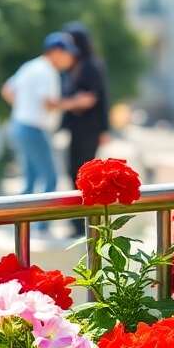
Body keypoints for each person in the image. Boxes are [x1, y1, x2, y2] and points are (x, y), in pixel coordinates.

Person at [1, 32, 77, 195]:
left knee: (30, 181)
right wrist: (76, 103)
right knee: (51, 179)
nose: (69, 58)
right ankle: (41, 222)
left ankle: (22, 220)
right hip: (34, 128)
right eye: (67, 53)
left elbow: (7, 90)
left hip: (19, 124)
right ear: (56, 52)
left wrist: (23, 107)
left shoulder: (30, 66)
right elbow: (48, 104)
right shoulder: (47, 71)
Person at [58, 22, 111, 235]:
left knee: (84, 175)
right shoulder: (74, 66)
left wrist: (62, 104)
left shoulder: (91, 66)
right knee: (72, 173)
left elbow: (93, 99)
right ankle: (76, 222)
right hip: (76, 128)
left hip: (89, 128)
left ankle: (84, 224)